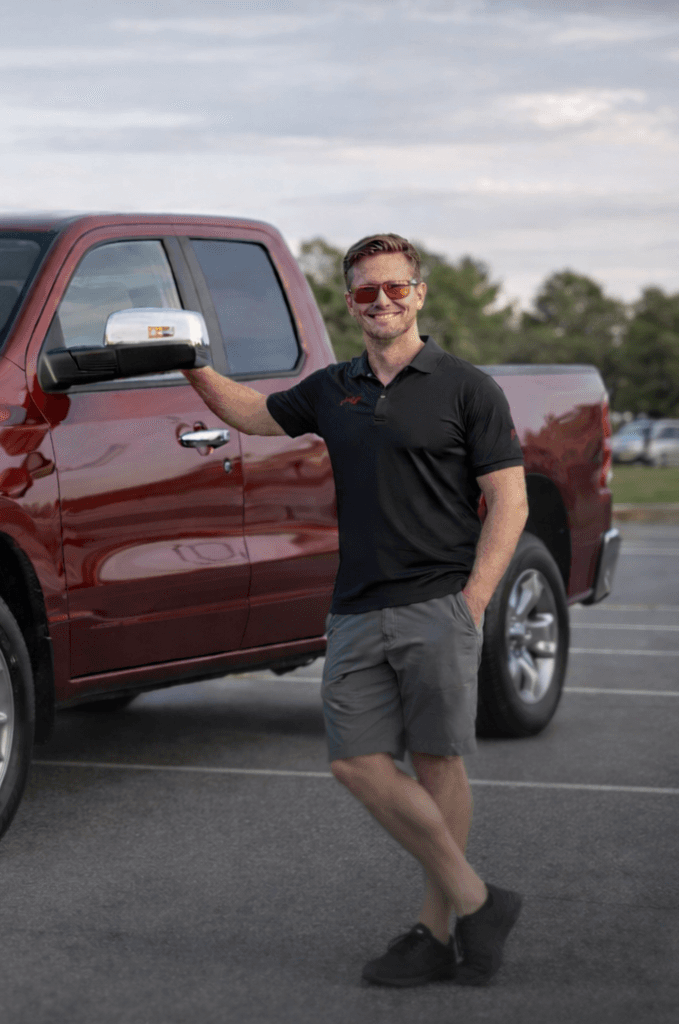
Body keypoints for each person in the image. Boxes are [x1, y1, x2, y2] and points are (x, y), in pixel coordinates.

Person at [183, 233, 529, 987]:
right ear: (350, 304)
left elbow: (509, 498)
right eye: (368, 292)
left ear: (419, 294)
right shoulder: (332, 387)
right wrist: (190, 364)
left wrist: (475, 599)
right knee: (354, 761)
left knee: (437, 760)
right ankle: (480, 899)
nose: (383, 302)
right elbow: (254, 413)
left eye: (396, 289)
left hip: (439, 601)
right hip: (355, 608)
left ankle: (438, 930)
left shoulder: (468, 388)